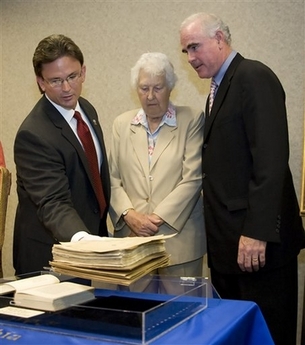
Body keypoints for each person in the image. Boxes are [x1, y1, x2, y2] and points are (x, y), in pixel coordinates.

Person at [180, 12, 305, 345]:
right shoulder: (218, 88)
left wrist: (256, 231)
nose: (190, 58)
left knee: (267, 336)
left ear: (219, 39)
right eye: (185, 52)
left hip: (258, 249)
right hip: (229, 249)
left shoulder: (253, 76)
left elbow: (271, 160)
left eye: (195, 47)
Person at [109, 52, 206, 293]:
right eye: (144, 88)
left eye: (158, 88)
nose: (150, 96)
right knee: (136, 317)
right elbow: (111, 179)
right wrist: (130, 215)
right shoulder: (122, 124)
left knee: (183, 317)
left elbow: (192, 178)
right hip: (132, 241)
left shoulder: (192, 119)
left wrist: (154, 219)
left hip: (180, 242)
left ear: (170, 88)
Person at [13, 34, 110, 275]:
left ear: (83, 72)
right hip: (52, 256)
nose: (67, 88)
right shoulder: (33, 134)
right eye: (55, 80)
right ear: (40, 82)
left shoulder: (86, 109)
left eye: (72, 77)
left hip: (89, 244)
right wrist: (81, 239)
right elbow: (52, 201)